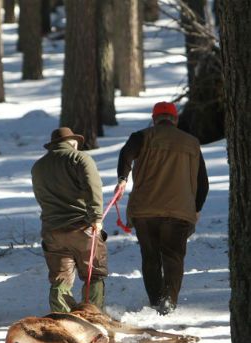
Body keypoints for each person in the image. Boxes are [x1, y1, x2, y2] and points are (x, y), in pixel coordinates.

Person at [115, 102, 209, 315]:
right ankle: (169, 299)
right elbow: (203, 183)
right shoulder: (191, 143)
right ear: (175, 119)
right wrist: (196, 208)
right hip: (178, 212)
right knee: (173, 256)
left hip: (145, 211)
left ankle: (156, 299)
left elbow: (126, 154)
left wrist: (122, 178)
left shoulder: (142, 136)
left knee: (150, 257)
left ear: (155, 118)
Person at [31, 127, 108, 313]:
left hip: (52, 232)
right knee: (93, 275)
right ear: (72, 143)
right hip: (81, 228)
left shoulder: (38, 167)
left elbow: (41, 197)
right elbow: (93, 188)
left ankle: (61, 318)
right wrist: (96, 217)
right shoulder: (80, 158)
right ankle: (93, 316)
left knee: (60, 279)